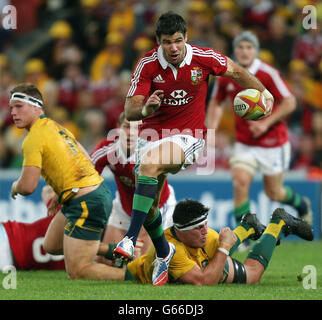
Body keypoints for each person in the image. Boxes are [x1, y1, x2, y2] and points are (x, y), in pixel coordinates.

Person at [114, 12, 274, 286]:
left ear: (186, 38)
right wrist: (146, 108)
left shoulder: (205, 58)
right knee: (151, 205)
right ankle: (164, 253)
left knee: (151, 165)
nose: (174, 47)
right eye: (167, 42)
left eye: (178, 41)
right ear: (158, 42)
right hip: (150, 137)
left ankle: (129, 238)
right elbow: (130, 109)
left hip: (189, 138)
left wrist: (265, 93)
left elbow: (236, 71)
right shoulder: (147, 64)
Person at [9, 82, 128, 281]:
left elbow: (28, 187)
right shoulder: (56, 127)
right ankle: (120, 251)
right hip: (88, 195)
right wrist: (60, 192)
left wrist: (15, 186)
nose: (13, 112)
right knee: (51, 245)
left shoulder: (33, 139)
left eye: (19, 106)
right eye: (11, 107)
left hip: (86, 201)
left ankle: (139, 274)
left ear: (36, 107)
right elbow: (84, 157)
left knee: (78, 271)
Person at [207, 31, 313, 228]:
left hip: (273, 142)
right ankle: (245, 232)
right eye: (240, 47)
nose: (244, 51)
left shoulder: (268, 74)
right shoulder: (226, 75)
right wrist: (211, 128)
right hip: (244, 142)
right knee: (239, 182)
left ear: (255, 50)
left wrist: (265, 122)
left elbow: (290, 102)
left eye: (249, 47)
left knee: (274, 192)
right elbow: (215, 102)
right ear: (235, 50)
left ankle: (302, 205)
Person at [127, 199, 313, 285]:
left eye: (205, 225)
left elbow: (218, 247)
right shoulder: (171, 250)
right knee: (220, 248)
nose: (204, 232)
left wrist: (223, 246)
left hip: (197, 262)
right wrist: (224, 247)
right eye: (198, 228)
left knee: (252, 276)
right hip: (143, 271)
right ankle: (249, 227)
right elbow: (204, 282)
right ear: (181, 232)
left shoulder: (206, 236)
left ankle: (277, 222)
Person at [90, 112, 176, 257]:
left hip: (156, 207)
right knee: (105, 261)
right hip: (124, 207)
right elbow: (87, 177)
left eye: (136, 128)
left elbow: (152, 201)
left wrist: (139, 239)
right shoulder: (108, 149)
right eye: (126, 127)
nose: (130, 133)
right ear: (118, 128)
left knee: (144, 262)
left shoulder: (151, 151)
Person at [0, 185, 65, 271]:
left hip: (9, 238)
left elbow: (47, 190)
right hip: (9, 248)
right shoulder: (82, 260)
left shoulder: (69, 212)